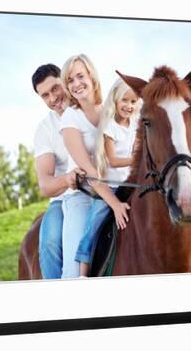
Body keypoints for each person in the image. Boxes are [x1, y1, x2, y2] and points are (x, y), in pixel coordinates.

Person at [59, 54, 130, 279]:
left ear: (92, 76)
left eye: (80, 76)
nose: (76, 84)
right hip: (84, 194)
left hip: (119, 185)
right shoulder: (70, 118)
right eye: (70, 80)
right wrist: (116, 205)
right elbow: (90, 171)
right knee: (72, 272)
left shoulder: (111, 108)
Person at [75, 78, 140, 277]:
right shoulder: (110, 127)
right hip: (111, 187)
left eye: (133, 102)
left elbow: (138, 149)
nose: (129, 106)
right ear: (115, 101)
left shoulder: (135, 126)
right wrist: (136, 160)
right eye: (125, 101)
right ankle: (83, 272)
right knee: (93, 224)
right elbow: (112, 160)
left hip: (130, 184)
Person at [32, 63, 84, 279]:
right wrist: (69, 179)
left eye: (55, 88)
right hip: (63, 199)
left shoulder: (87, 106)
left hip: (101, 186)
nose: (52, 98)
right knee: (50, 241)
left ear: (64, 81)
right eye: (45, 95)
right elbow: (45, 184)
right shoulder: (45, 129)